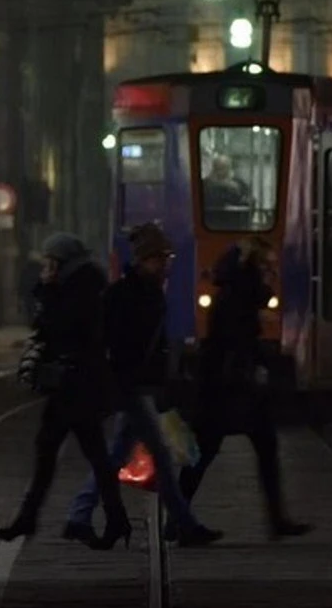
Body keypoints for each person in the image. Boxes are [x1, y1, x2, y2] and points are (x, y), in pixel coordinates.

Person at [62, 223, 221, 549]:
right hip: (129, 385)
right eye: (160, 259)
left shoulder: (151, 292)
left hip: (139, 385)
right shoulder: (125, 294)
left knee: (117, 455)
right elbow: (113, 342)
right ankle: (185, 525)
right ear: (144, 260)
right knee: (159, 457)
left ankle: (78, 516)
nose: (165, 265)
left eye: (167, 258)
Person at [0, 233, 132, 549]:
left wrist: (47, 291)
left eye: (51, 263)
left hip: (78, 387)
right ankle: (112, 519)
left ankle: (110, 519)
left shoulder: (81, 292)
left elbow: (61, 329)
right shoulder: (77, 287)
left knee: (73, 455)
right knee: (68, 454)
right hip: (72, 389)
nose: (47, 268)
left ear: (64, 264)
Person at [179, 237, 310, 539]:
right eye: (267, 265)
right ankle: (179, 519)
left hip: (229, 385)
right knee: (208, 451)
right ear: (254, 266)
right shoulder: (240, 295)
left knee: (252, 447)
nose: (271, 271)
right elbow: (237, 341)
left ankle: (277, 520)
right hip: (230, 387)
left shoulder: (236, 291)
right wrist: (254, 367)